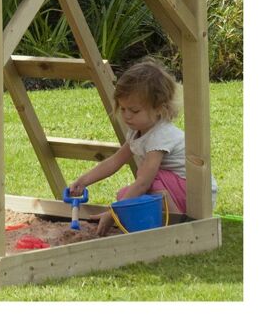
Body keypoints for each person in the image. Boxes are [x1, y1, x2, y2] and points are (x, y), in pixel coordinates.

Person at [68, 57, 217, 236]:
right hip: (174, 188)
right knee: (124, 196)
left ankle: (177, 223)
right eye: (122, 109)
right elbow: (115, 161)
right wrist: (83, 181)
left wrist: (113, 212)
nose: (127, 116)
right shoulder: (138, 130)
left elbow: (144, 182)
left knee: (145, 181)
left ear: (159, 109)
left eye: (134, 110)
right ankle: (158, 222)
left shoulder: (160, 136)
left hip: (195, 193)